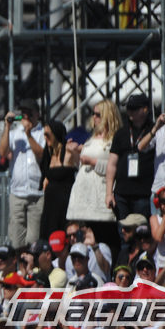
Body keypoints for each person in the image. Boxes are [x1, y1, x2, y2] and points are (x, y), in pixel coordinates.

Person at [67, 99, 123, 252]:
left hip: (100, 195)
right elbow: (80, 165)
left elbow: (116, 167)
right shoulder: (91, 139)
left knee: (106, 237)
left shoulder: (113, 140)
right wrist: (75, 154)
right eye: (93, 114)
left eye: (98, 114)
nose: (95, 118)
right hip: (85, 195)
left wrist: (92, 162)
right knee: (89, 236)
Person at [0, 99, 45, 247]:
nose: (25, 117)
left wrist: (29, 134)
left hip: (36, 194)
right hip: (17, 192)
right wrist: (7, 126)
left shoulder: (42, 133)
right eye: (23, 114)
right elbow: (3, 152)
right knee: (16, 239)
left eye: (29, 114)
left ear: (36, 114)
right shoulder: (14, 133)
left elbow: (41, 154)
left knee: (33, 239)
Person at [107, 94, 155, 220]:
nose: (129, 112)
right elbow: (112, 164)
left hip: (143, 192)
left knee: (141, 230)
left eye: (134, 109)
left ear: (145, 109)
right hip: (122, 192)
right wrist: (109, 193)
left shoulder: (154, 130)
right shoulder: (122, 133)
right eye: (128, 108)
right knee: (123, 231)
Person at [38, 120, 77, 238]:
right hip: (50, 206)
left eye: (47, 134)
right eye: (43, 134)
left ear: (55, 134)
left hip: (64, 204)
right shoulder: (49, 154)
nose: (45, 137)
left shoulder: (68, 150)